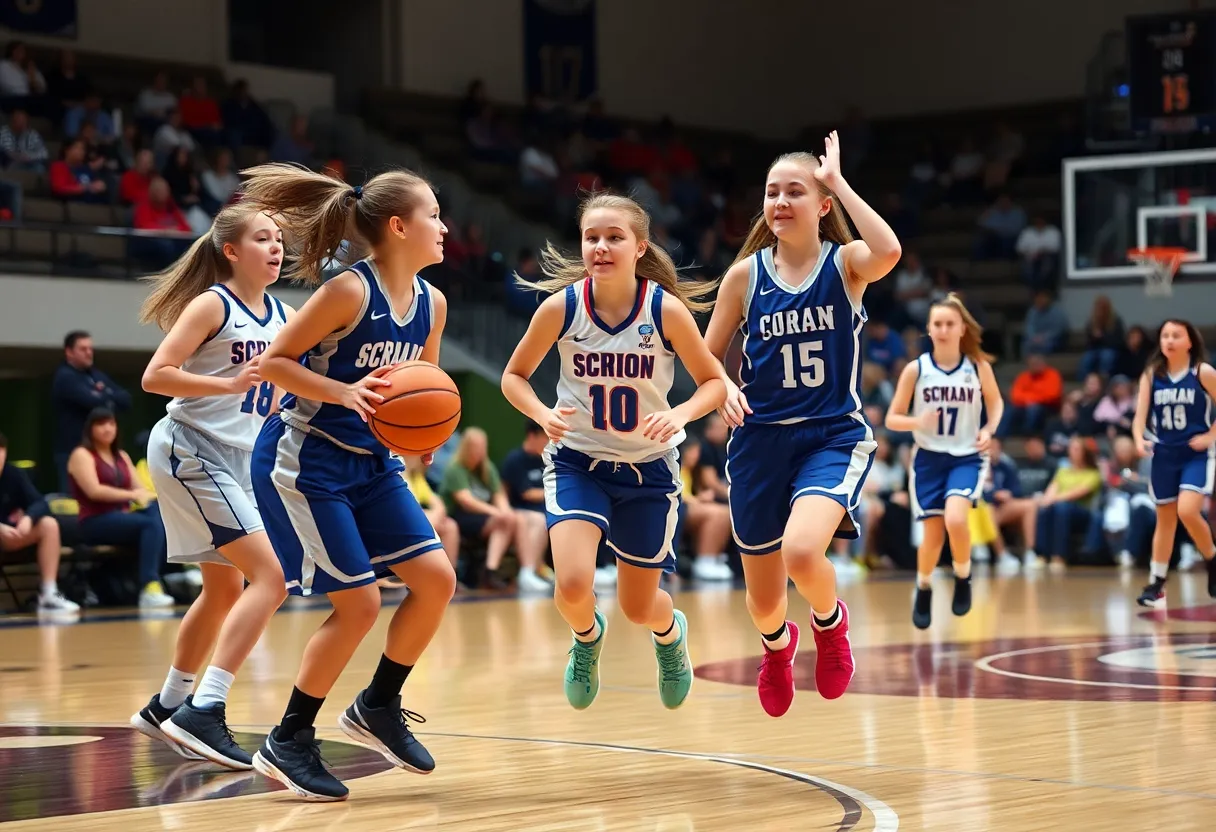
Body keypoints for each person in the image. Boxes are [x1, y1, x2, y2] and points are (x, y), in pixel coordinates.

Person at [237, 163, 457, 802]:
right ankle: (289, 738)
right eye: (434, 215)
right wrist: (342, 391)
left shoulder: (432, 304)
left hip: (372, 464)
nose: (444, 227)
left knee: (437, 581)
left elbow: (426, 387)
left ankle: (378, 705)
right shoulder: (346, 294)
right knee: (358, 603)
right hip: (308, 460)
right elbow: (273, 361)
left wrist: (422, 442)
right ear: (398, 225)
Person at [501, 191, 726, 712]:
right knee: (574, 584)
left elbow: (713, 382)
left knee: (639, 606)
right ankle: (585, 638)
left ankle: (670, 637)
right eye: (591, 237)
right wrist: (541, 413)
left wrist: (680, 414)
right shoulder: (562, 308)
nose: (601, 246)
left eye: (614, 237)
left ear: (640, 246)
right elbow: (514, 377)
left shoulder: (664, 311)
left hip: (648, 470)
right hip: (578, 461)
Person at [703, 132, 902, 717]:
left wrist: (838, 183)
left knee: (802, 551)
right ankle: (777, 647)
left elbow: (888, 251)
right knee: (763, 604)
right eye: (772, 193)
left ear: (821, 206)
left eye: (796, 191)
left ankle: (830, 624)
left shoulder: (845, 264)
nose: (780, 202)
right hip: (758, 443)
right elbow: (708, 358)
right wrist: (725, 391)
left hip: (830, 434)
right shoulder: (744, 277)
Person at [128, 205, 290, 771]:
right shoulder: (213, 304)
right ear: (231, 251)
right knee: (271, 577)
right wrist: (226, 382)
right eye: (263, 239)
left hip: (240, 458)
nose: (276, 248)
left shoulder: (282, 314)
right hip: (189, 446)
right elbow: (156, 375)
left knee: (224, 590)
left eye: (279, 240)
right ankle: (205, 710)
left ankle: (167, 705)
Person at [883, 293, 1003, 630]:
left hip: (966, 456)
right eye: (937, 324)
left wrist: (989, 430)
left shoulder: (978, 367)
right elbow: (892, 418)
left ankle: (963, 577)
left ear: (962, 328)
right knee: (932, 537)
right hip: (927, 460)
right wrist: (917, 422)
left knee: (956, 519)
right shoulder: (916, 370)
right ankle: (923, 587)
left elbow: (995, 404)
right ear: (929, 329)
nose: (944, 329)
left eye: (950, 323)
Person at [1132, 319, 1216, 607]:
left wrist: (1210, 436)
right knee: (1165, 520)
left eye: (1176, 335)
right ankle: (1156, 584)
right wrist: (1137, 438)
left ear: (1189, 341)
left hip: (1195, 453)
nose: (1168, 340)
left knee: (1188, 511)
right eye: (1165, 335)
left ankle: (1212, 559)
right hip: (1164, 455)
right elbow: (1139, 417)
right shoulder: (1152, 374)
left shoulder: (1202, 372)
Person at [67, 408, 171, 607]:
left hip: (122, 518)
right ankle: (149, 585)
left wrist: (158, 499)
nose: (107, 429)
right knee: (149, 524)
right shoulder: (82, 454)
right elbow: (94, 491)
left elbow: (140, 489)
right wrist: (132, 495)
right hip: (94, 521)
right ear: (90, 429)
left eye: (111, 424)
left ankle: (167, 578)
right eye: (101, 424)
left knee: (158, 512)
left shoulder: (121, 456)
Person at [0, 431, 77, 612]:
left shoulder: (13, 474)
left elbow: (40, 502)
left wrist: (28, 518)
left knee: (48, 525)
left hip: (10, 536)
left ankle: (49, 593)